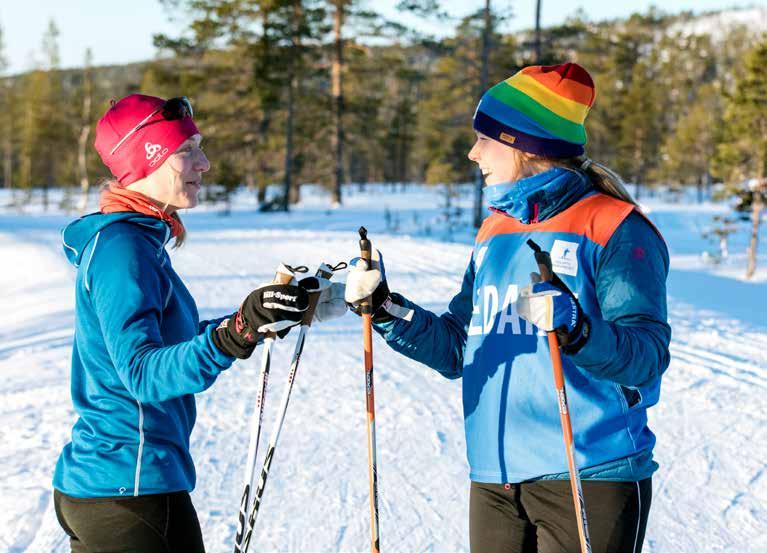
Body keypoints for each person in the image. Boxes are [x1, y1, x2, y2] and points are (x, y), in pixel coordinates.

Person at [346, 63, 671, 553]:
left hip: (588, 472)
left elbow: (646, 357)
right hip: (495, 476)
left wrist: (578, 330)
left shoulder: (615, 227)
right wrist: (388, 308)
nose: (473, 152)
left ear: (524, 146)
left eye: (485, 139)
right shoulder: (495, 231)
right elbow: (459, 347)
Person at [53, 94, 343, 553]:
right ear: (146, 157)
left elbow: (174, 336)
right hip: (128, 488)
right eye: (187, 151)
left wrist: (263, 318)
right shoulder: (122, 248)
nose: (204, 163)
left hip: (129, 486)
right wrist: (234, 335)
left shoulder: (138, 242)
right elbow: (144, 374)